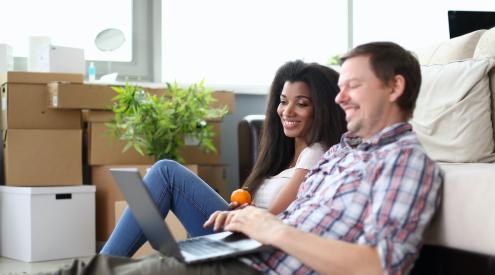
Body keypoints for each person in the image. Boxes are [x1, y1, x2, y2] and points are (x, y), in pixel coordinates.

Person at [46, 41, 443, 275]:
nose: (339, 98)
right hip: (252, 255)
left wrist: (271, 229)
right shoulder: (342, 151)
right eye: (339, 87)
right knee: (105, 268)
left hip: (262, 267)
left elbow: (380, 266)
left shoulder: (404, 161)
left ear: (395, 87)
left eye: (352, 86)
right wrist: (248, 226)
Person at [100, 60, 347, 257]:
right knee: (165, 175)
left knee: (166, 173)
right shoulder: (287, 155)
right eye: (283, 102)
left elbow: (273, 221)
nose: (287, 111)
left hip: (258, 249)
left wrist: (244, 216)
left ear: (322, 108)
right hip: (244, 239)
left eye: (301, 103)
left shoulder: (316, 153)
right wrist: (242, 210)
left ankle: (100, 266)